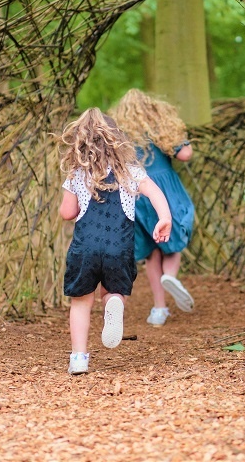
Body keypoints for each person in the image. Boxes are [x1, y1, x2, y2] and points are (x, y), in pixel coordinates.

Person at [58, 108, 172, 375]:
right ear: (116, 140)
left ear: (80, 143)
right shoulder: (129, 170)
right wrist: (164, 218)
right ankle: (114, 302)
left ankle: (78, 358)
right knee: (114, 289)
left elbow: (66, 212)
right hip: (118, 245)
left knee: (81, 302)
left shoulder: (77, 173)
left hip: (85, 246)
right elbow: (154, 191)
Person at [109, 89, 196, 327]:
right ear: (154, 109)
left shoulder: (120, 135)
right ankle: (171, 276)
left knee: (151, 251)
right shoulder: (160, 129)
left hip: (137, 193)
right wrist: (178, 135)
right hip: (164, 191)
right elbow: (185, 154)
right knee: (173, 237)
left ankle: (159, 309)